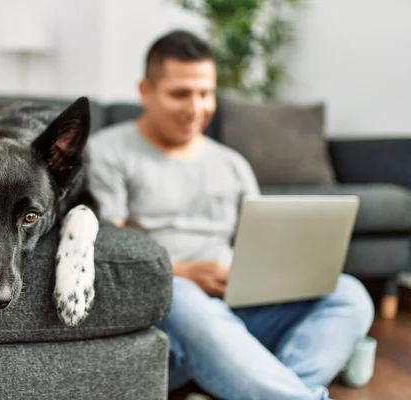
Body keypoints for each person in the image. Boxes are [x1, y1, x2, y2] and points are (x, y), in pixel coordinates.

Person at [87, 30, 374, 400]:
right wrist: (187, 272)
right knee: (183, 295)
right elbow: (110, 254)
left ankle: (252, 385)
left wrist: (277, 276)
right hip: (169, 314)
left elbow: (261, 241)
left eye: (205, 93)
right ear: (145, 90)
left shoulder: (232, 164)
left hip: (237, 307)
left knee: (349, 294)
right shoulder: (107, 153)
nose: (196, 107)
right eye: (180, 93)